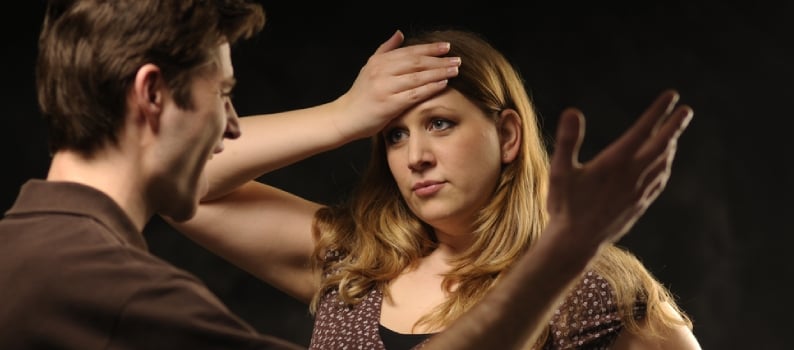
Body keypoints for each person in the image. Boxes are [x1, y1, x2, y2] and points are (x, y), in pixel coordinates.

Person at [171, 29, 702, 349]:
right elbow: (180, 177)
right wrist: (343, 117)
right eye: (395, 135)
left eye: (440, 123)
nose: (416, 155)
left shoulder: (588, 287)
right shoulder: (355, 263)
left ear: (508, 135)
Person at [0, 0, 461, 348]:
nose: (234, 125)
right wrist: (342, 116)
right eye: (222, 94)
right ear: (153, 94)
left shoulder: (22, 250)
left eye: (440, 125)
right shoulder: (123, 295)